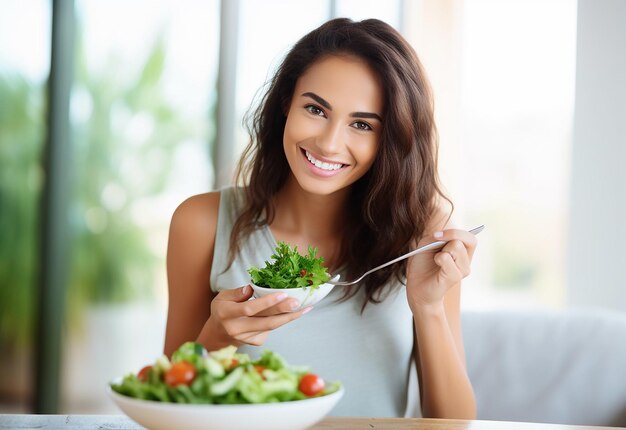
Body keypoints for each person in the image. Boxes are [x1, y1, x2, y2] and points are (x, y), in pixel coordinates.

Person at [164, 17, 478, 418]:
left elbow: (454, 424)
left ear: (392, 140)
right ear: (285, 104)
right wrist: (217, 335)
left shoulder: (422, 233)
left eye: (362, 124)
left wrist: (428, 306)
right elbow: (166, 408)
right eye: (315, 109)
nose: (329, 144)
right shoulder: (201, 223)